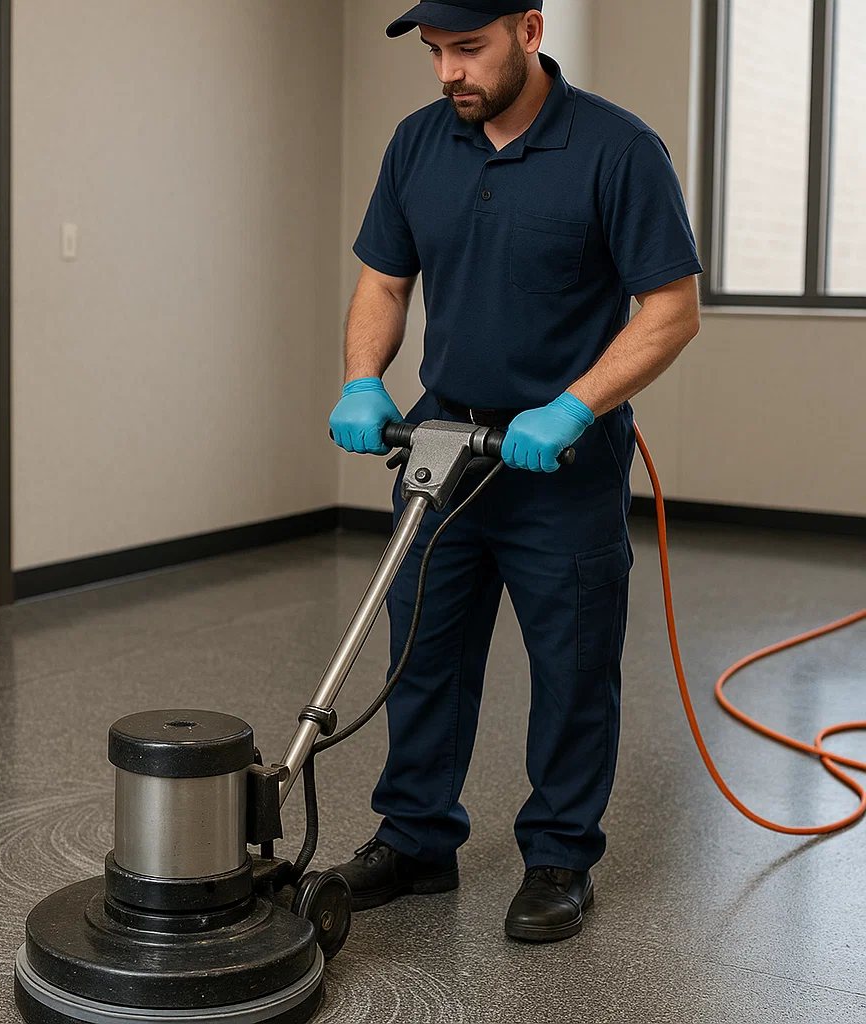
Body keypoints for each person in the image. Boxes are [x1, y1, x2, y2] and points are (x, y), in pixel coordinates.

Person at [327, 0, 702, 943]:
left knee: (572, 668)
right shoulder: (418, 143)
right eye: (434, 53)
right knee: (421, 650)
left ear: (530, 32)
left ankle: (560, 857)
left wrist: (576, 405)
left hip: (559, 460)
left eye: (468, 48)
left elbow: (670, 308)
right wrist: (363, 380)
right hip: (442, 451)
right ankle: (417, 839)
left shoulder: (617, 148)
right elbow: (384, 278)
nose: (448, 72)